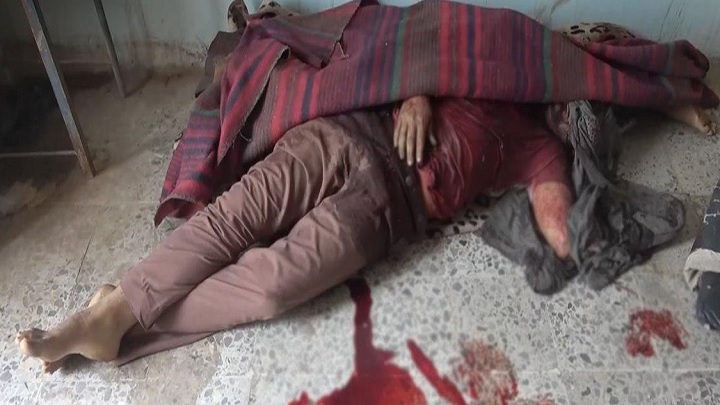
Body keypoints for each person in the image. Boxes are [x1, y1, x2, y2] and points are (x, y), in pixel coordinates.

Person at [15, 94, 574, 371]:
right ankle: (109, 315)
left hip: (388, 203)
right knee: (234, 219)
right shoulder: (478, 63)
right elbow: (405, 45)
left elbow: (562, 229)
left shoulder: (542, 147)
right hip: (343, 131)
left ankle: (122, 318)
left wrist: (582, 221)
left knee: (271, 287)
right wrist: (418, 94)